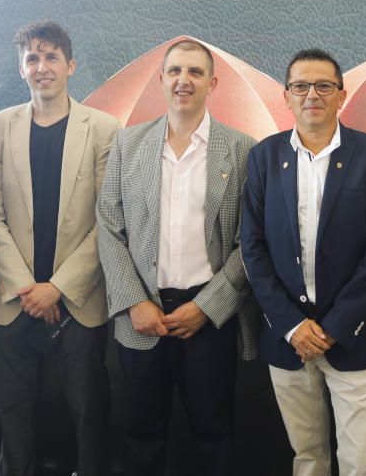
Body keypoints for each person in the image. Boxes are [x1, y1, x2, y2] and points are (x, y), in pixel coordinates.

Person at [96, 39, 256, 476]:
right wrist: (134, 301)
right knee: (142, 435)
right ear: (162, 80)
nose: (184, 80)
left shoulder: (242, 149)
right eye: (175, 71)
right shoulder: (129, 144)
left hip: (208, 316)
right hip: (142, 314)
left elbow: (252, 243)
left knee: (215, 433)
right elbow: (109, 228)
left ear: (212, 83)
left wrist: (207, 307)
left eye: (195, 72)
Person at [241, 48, 366, 476]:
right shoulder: (264, 158)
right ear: (286, 96)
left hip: (356, 337)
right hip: (287, 337)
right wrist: (292, 325)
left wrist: (334, 326)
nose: (312, 94)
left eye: (324, 85)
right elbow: (252, 249)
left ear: (341, 95)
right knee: (307, 458)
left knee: (362, 461)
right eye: (301, 86)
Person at [0, 21, 121, 475]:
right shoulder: (0, 126)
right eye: (33, 59)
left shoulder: (102, 128)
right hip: (13, 297)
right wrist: (27, 287)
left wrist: (57, 287)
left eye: (51, 57)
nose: (42, 67)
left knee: (87, 410)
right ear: (22, 69)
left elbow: (107, 219)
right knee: (13, 411)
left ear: (70, 65)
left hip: (78, 298)